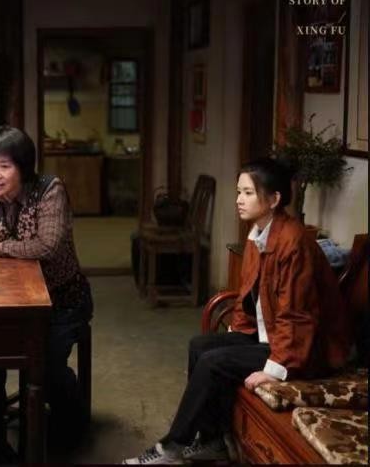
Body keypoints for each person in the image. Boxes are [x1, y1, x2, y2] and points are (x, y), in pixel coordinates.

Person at [123, 157, 351, 464]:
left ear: (274, 199)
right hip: (272, 335)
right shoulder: (259, 232)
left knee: (214, 362)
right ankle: (213, 439)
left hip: (307, 350)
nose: (238, 200)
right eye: (238, 192)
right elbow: (248, 292)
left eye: (247, 193)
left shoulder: (293, 241)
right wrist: (235, 332)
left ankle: (172, 447)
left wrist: (274, 369)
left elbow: (297, 316)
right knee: (201, 345)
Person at [0, 126, 94, 462]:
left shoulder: (49, 189)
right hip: (9, 303)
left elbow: (47, 246)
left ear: (24, 166)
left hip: (62, 300)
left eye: (5, 166)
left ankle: (70, 424)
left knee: (47, 365)